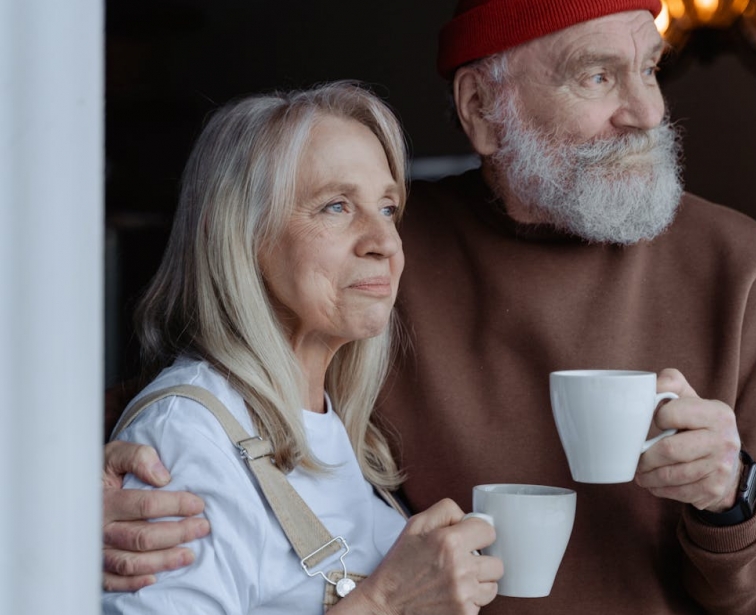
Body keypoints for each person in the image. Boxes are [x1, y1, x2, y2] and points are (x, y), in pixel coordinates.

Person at [102, 1, 756, 613]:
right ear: (482, 109)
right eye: (599, 74)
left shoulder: (740, 269)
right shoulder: (380, 259)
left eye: (648, 68)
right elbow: (217, 394)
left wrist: (730, 496)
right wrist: (76, 489)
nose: (647, 111)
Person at [101, 81, 502, 614]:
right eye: (336, 206)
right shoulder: (186, 440)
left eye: (387, 208)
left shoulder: (331, 424)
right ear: (241, 235)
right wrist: (386, 604)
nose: (383, 241)